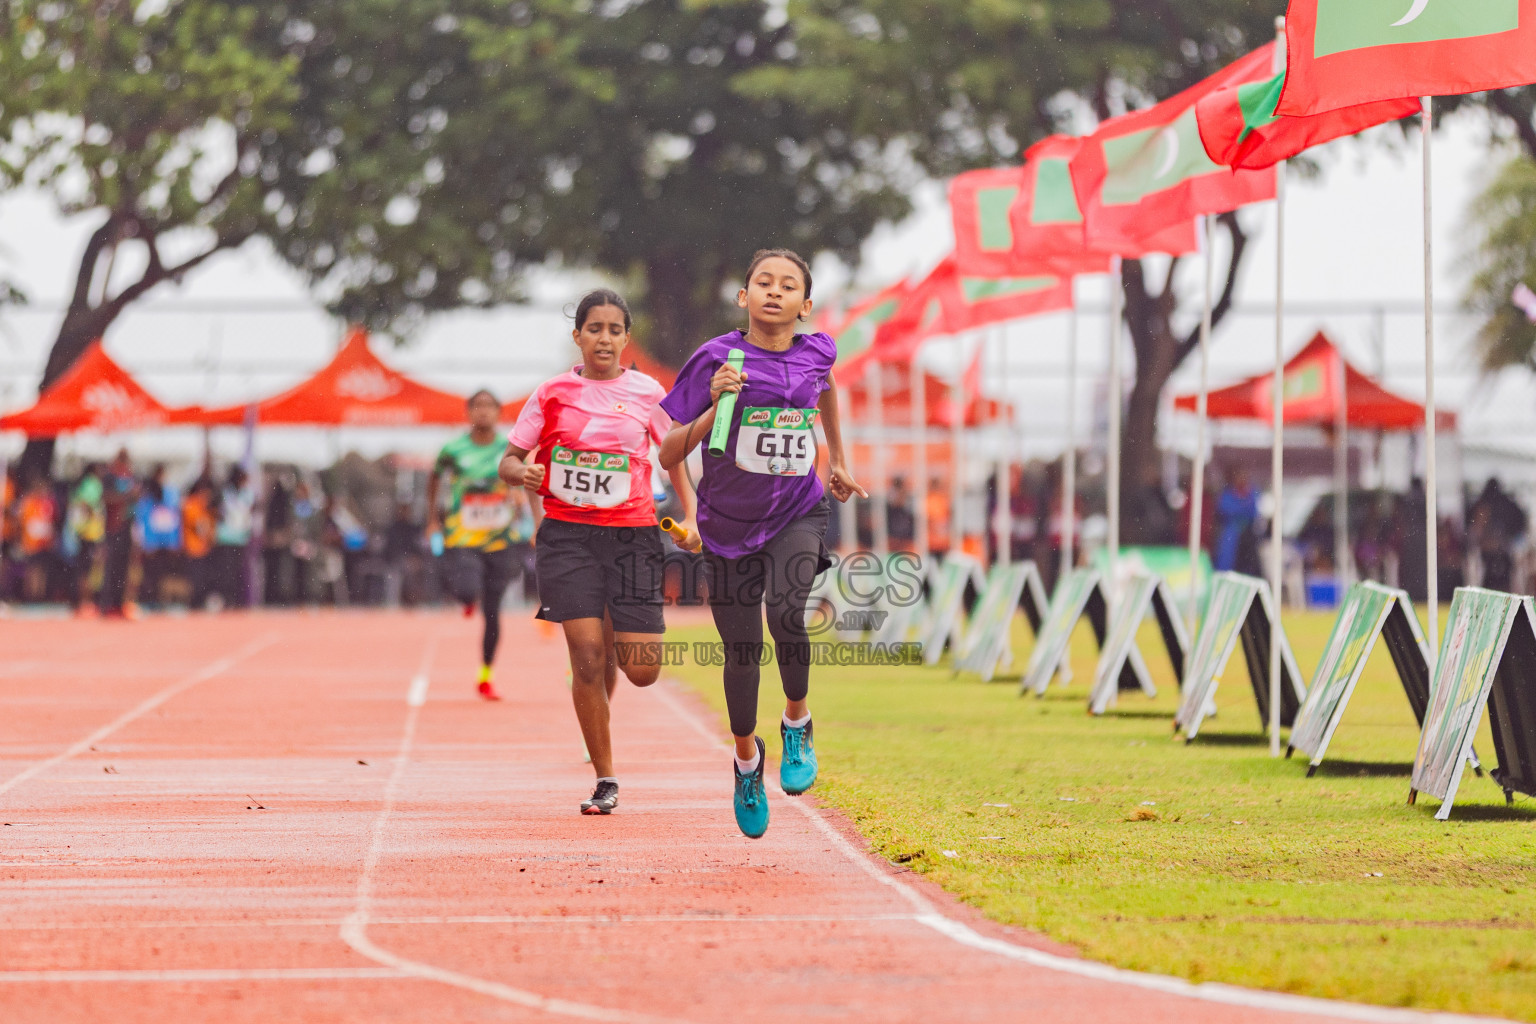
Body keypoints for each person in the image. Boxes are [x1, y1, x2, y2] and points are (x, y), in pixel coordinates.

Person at [658, 248, 864, 839]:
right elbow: (670, 452)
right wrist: (716, 404)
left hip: (798, 510)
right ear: (744, 297)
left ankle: (796, 721)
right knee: (742, 652)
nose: (775, 291)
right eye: (763, 283)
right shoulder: (714, 358)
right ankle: (748, 761)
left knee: (786, 612)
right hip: (726, 526)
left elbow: (826, 392)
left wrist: (839, 462)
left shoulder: (818, 351)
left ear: (804, 304)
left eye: (789, 285)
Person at [500, 288, 698, 816]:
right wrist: (525, 471)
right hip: (568, 537)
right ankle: (605, 778)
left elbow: (672, 452)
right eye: (594, 329)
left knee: (642, 670)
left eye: (614, 330)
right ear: (578, 336)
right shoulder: (552, 393)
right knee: (586, 657)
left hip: (633, 535)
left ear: (626, 338)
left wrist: (693, 514)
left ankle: (614, 620)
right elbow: (509, 460)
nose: (604, 338)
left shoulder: (647, 392)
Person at [429, 390, 530, 697]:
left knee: (493, 611)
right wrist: (433, 519)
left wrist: (519, 500)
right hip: (463, 536)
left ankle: (486, 674)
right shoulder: (452, 449)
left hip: (501, 538)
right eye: (478, 406)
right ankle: (466, 598)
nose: (484, 412)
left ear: (499, 413)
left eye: (490, 407)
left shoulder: (509, 448)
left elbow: (524, 478)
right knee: (466, 589)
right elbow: (433, 479)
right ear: (469, 412)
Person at [98, 448, 140, 617]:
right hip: (113, 526)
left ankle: (119, 603)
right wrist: (126, 496)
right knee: (111, 566)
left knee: (124, 567)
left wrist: (134, 496)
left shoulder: (130, 476)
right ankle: (106, 604)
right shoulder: (110, 476)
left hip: (127, 526)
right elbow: (105, 497)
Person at [135, 464, 183, 608]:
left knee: (166, 573)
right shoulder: (148, 494)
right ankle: (149, 600)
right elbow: (143, 518)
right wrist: (146, 542)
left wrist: (175, 542)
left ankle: (164, 601)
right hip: (152, 542)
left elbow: (175, 518)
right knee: (150, 573)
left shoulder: (171, 493)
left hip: (167, 541)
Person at [213, 465, 256, 609]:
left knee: (239, 571)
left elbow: (251, 511)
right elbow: (216, 509)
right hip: (226, 537)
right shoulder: (225, 492)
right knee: (226, 572)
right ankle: (227, 599)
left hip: (241, 538)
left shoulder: (248, 493)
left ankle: (239, 600)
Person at [1214, 467, 1260, 576]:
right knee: (1226, 559)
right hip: (1231, 534)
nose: (1242, 479)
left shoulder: (1251, 493)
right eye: (1239, 476)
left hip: (1248, 535)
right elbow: (1223, 508)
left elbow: (1254, 512)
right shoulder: (1228, 494)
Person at [181, 476, 218, 609]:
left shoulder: (205, 507)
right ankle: (193, 604)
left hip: (204, 548)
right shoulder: (192, 505)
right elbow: (199, 527)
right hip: (193, 548)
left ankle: (200, 603)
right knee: (195, 580)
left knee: (204, 579)